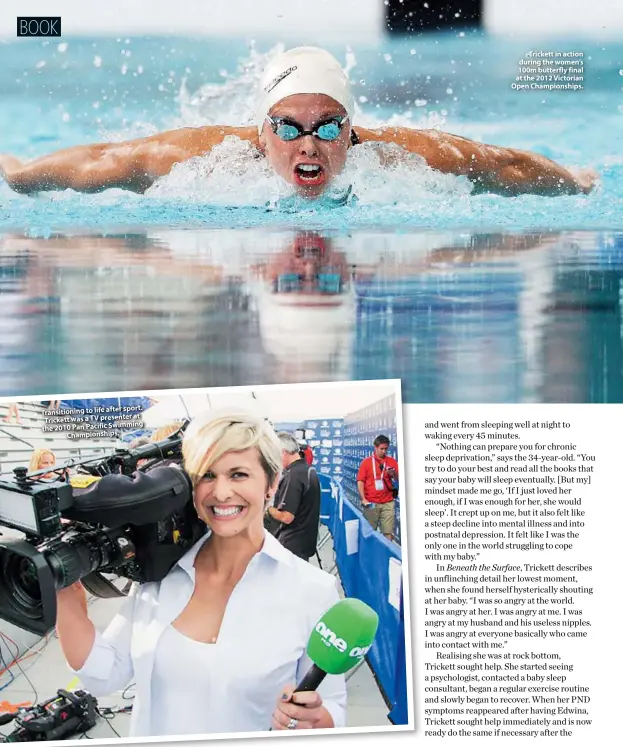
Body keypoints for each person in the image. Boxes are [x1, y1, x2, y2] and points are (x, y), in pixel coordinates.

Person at [55, 411, 345, 737]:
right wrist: (61, 582)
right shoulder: (160, 574)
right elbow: (105, 673)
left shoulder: (315, 591)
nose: (220, 493)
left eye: (238, 475)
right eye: (206, 475)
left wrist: (320, 719)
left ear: (272, 482)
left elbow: (331, 704)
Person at [0, 47, 596, 198]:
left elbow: (504, 164)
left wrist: (576, 180)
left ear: (352, 131)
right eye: (287, 127)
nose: (309, 143)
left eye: (329, 127)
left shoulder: (402, 156)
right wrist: (19, 173)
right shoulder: (203, 158)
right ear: (260, 131)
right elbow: (103, 162)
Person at [266, 432, 321, 562]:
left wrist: (267, 509)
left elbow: (286, 517)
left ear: (283, 452)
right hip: (304, 543)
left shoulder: (293, 476)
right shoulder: (309, 470)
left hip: (291, 546)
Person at [357, 434, 399, 541]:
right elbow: (360, 481)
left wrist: (393, 474)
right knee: (368, 533)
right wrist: (363, 499)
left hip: (388, 502)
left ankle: (386, 556)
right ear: (375, 447)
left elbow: (399, 480)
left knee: (388, 533)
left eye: (386, 449)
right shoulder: (366, 462)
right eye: (381, 449)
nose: (384, 451)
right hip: (371, 503)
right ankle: (369, 556)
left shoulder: (392, 462)